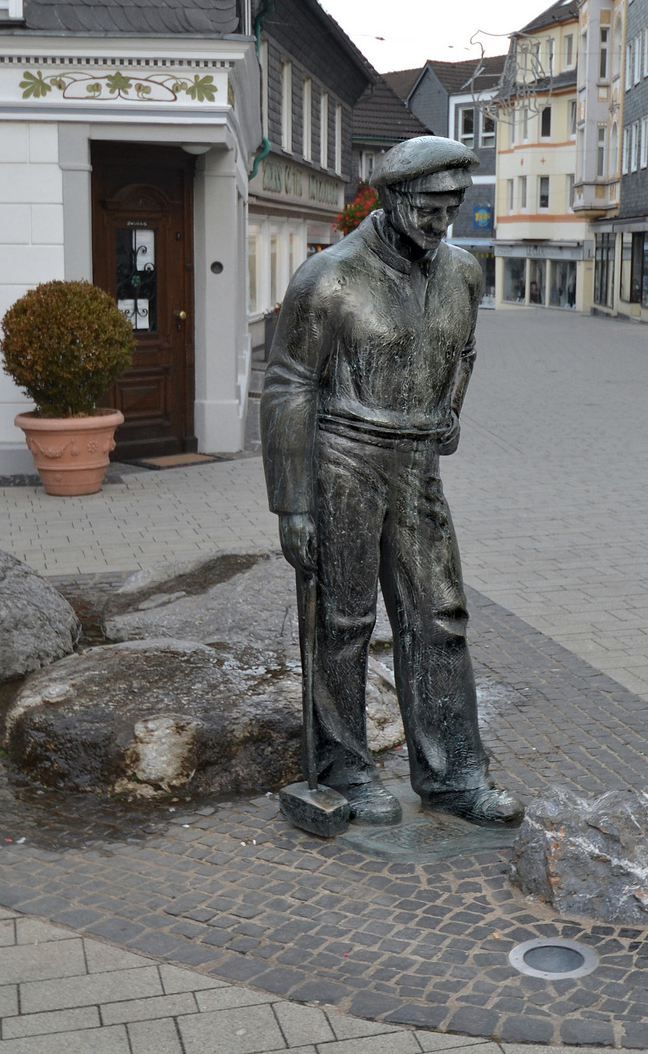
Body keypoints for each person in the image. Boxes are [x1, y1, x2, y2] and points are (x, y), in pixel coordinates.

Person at [261, 136, 524, 829]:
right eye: (431, 208)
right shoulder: (328, 278)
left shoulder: (463, 273)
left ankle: (453, 775)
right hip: (344, 457)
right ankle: (343, 768)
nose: (444, 223)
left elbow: (463, 348)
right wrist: (292, 504)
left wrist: (449, 409)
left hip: (416, 464)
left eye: (453, 208)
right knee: (343, 619)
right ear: (393, 198)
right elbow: (287, 385)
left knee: (439, 615)